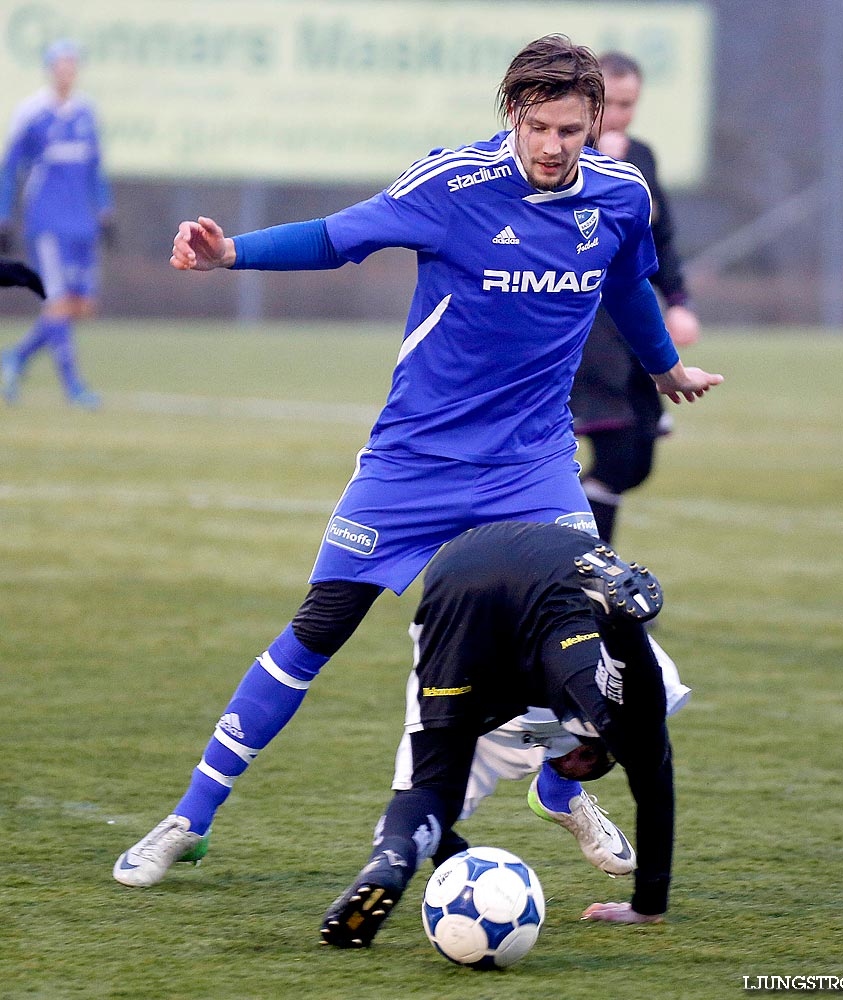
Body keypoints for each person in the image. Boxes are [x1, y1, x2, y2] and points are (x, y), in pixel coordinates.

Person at [113, 34, 721, 890]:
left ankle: (557, 786)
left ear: (596, 125)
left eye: (574, 130)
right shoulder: (453, 187)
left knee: (595, 630)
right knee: (316, 633)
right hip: (414, 462)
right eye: (541, 126)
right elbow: (336, 238)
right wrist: (229, 254)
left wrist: (664, 368)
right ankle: (189, 818)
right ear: (512, 114)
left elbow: (627, 285)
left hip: (531, 463)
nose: (556, 147)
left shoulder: (621, 198)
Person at [320, 520, 677, 948]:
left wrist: (452, 859)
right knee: (634, 735)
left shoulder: (522, 726)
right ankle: (620, 632)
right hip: (557, 589)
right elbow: (654, 780)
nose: (569, 761)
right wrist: (649, 903)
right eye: (584, 762)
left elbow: (438, 807)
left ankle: (388, 862)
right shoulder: (592, 710)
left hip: (460, 576)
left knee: (431, 787)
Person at [401, 625, 690, 878]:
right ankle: (560, 788)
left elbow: (655, 771)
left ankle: (559, 789)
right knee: (423, 794)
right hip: (490, 653)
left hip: (529, 671)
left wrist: (649, 902)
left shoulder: (648, 680)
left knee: (420, 800)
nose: (569, 753)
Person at [569, 51, 701, 544]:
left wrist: (679, 300)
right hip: (583, 324)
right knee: (617, 449)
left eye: (630, 105)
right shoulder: (561, 156)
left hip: (633, 323)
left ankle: (581, 572)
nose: (621, 116)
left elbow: (659, 237)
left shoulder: (640, 157)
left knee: (636, 458)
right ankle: (584, 586)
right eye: (612, 103)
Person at [0, 39, 113, 409]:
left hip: (82, 224)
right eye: (60, 65)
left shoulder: (85, 114)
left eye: (71, 65)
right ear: (51, 70)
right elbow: (10, 169)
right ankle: (73, 387)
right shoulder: (32, 114)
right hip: (47, 223)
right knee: (58, 302)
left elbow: (96, 168)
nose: (66, 71)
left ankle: (15, 357)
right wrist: (4, 216)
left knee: (80, 306)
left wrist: (105, 211)